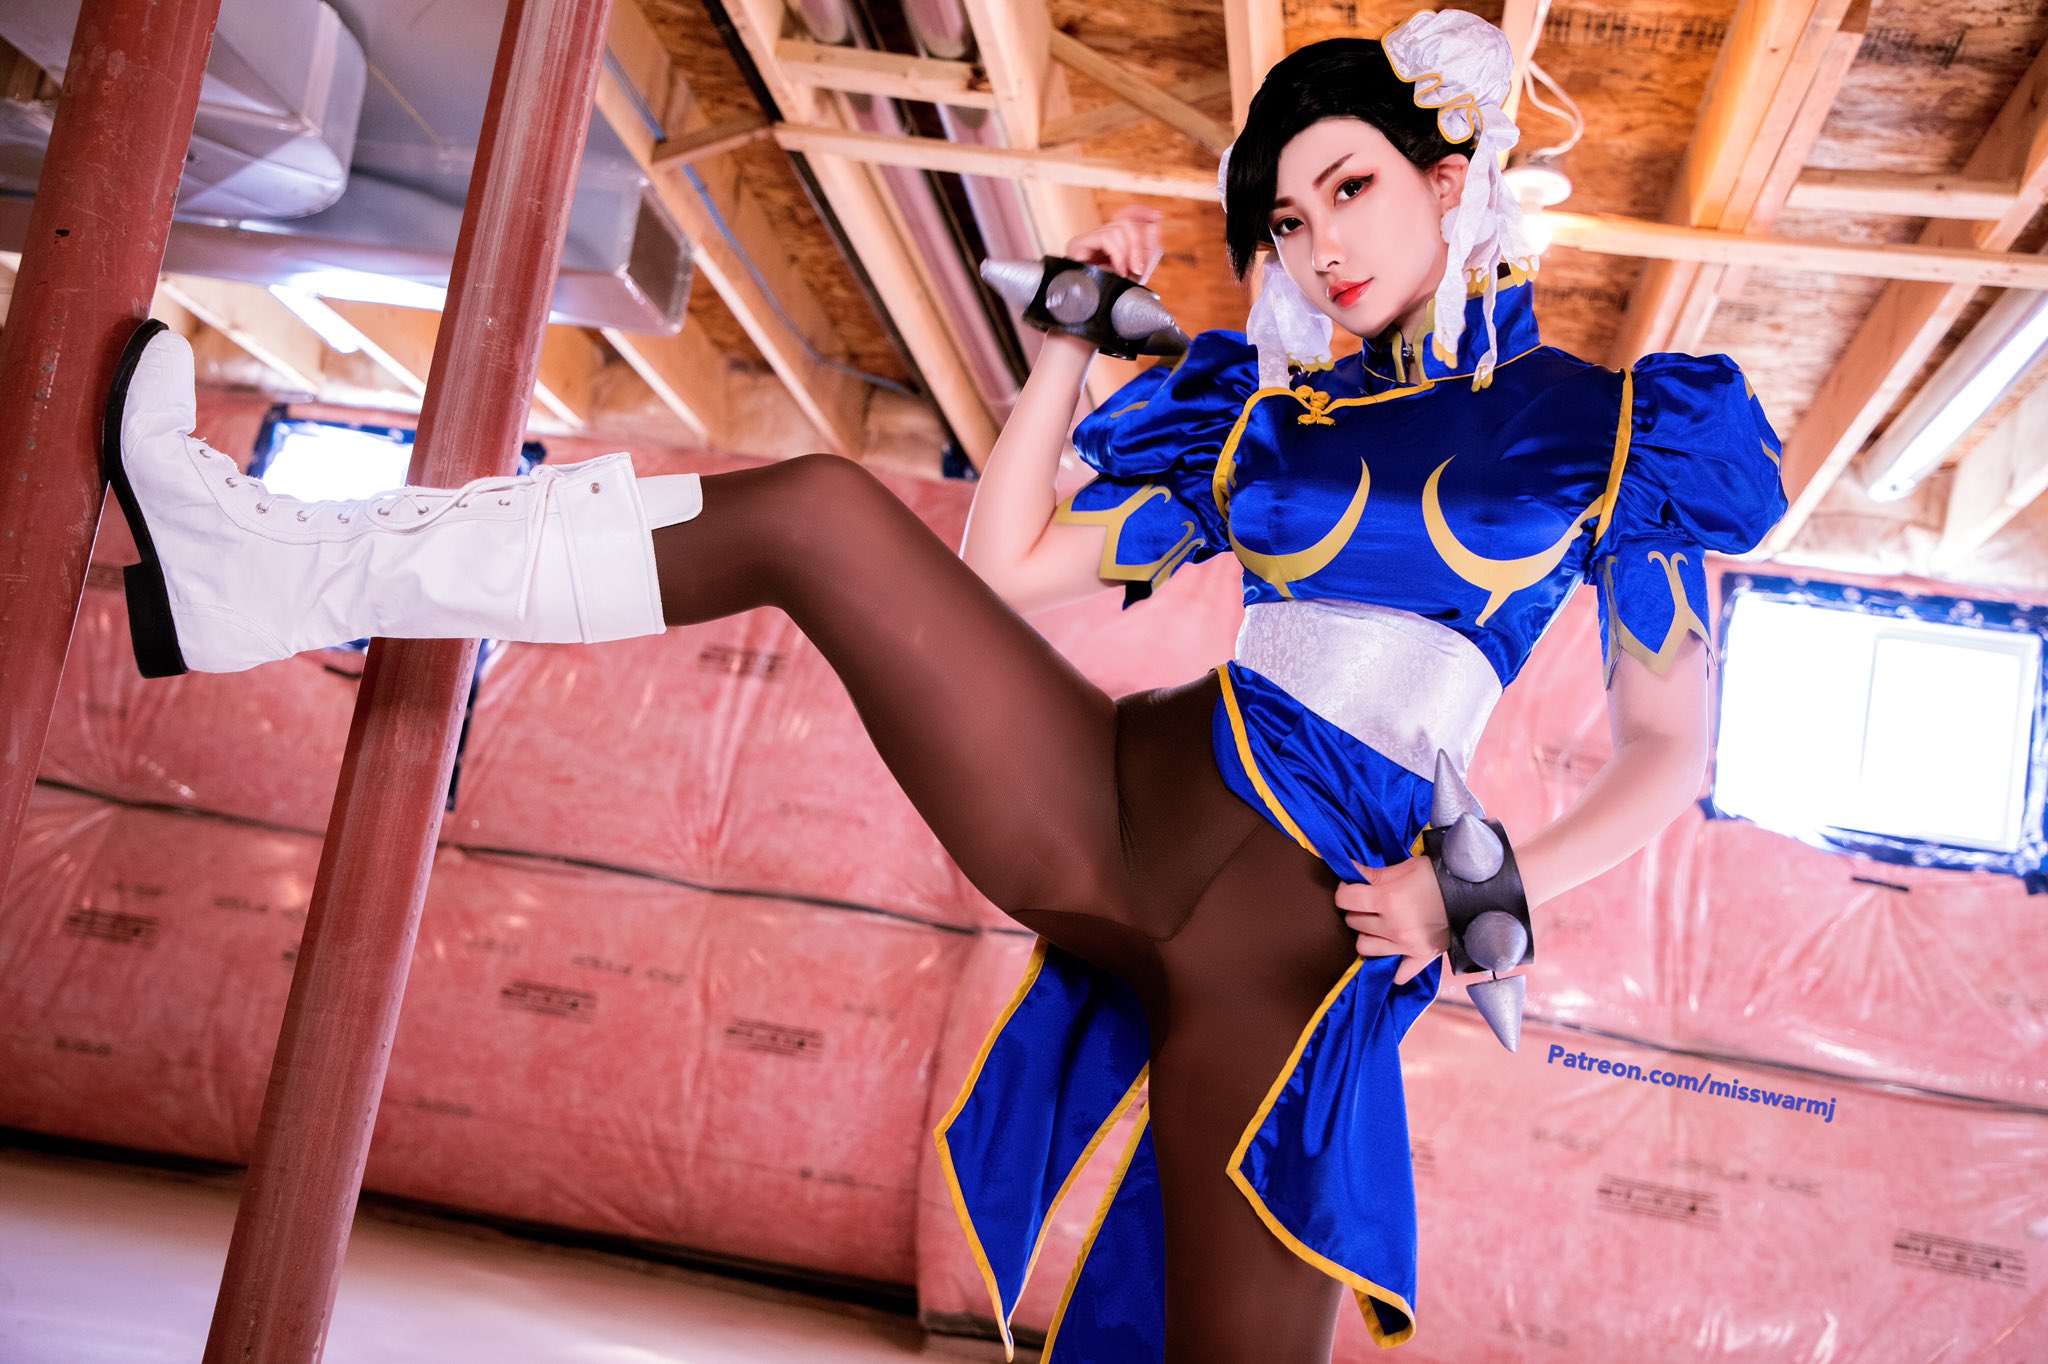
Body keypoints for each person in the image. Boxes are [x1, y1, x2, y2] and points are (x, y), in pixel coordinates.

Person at [97, 9, 1787, 1359]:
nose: (1319, 243)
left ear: (1448, 172)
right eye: (1288, 217)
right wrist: (1058, 354)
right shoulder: (1263, 417)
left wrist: (1478, 893)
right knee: (822, 517)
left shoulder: (1617, 430)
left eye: (1349, 189)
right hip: (1124, 800)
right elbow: (1001, 566)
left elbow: (1664, 752)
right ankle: (273, 569)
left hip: (1304, 930)